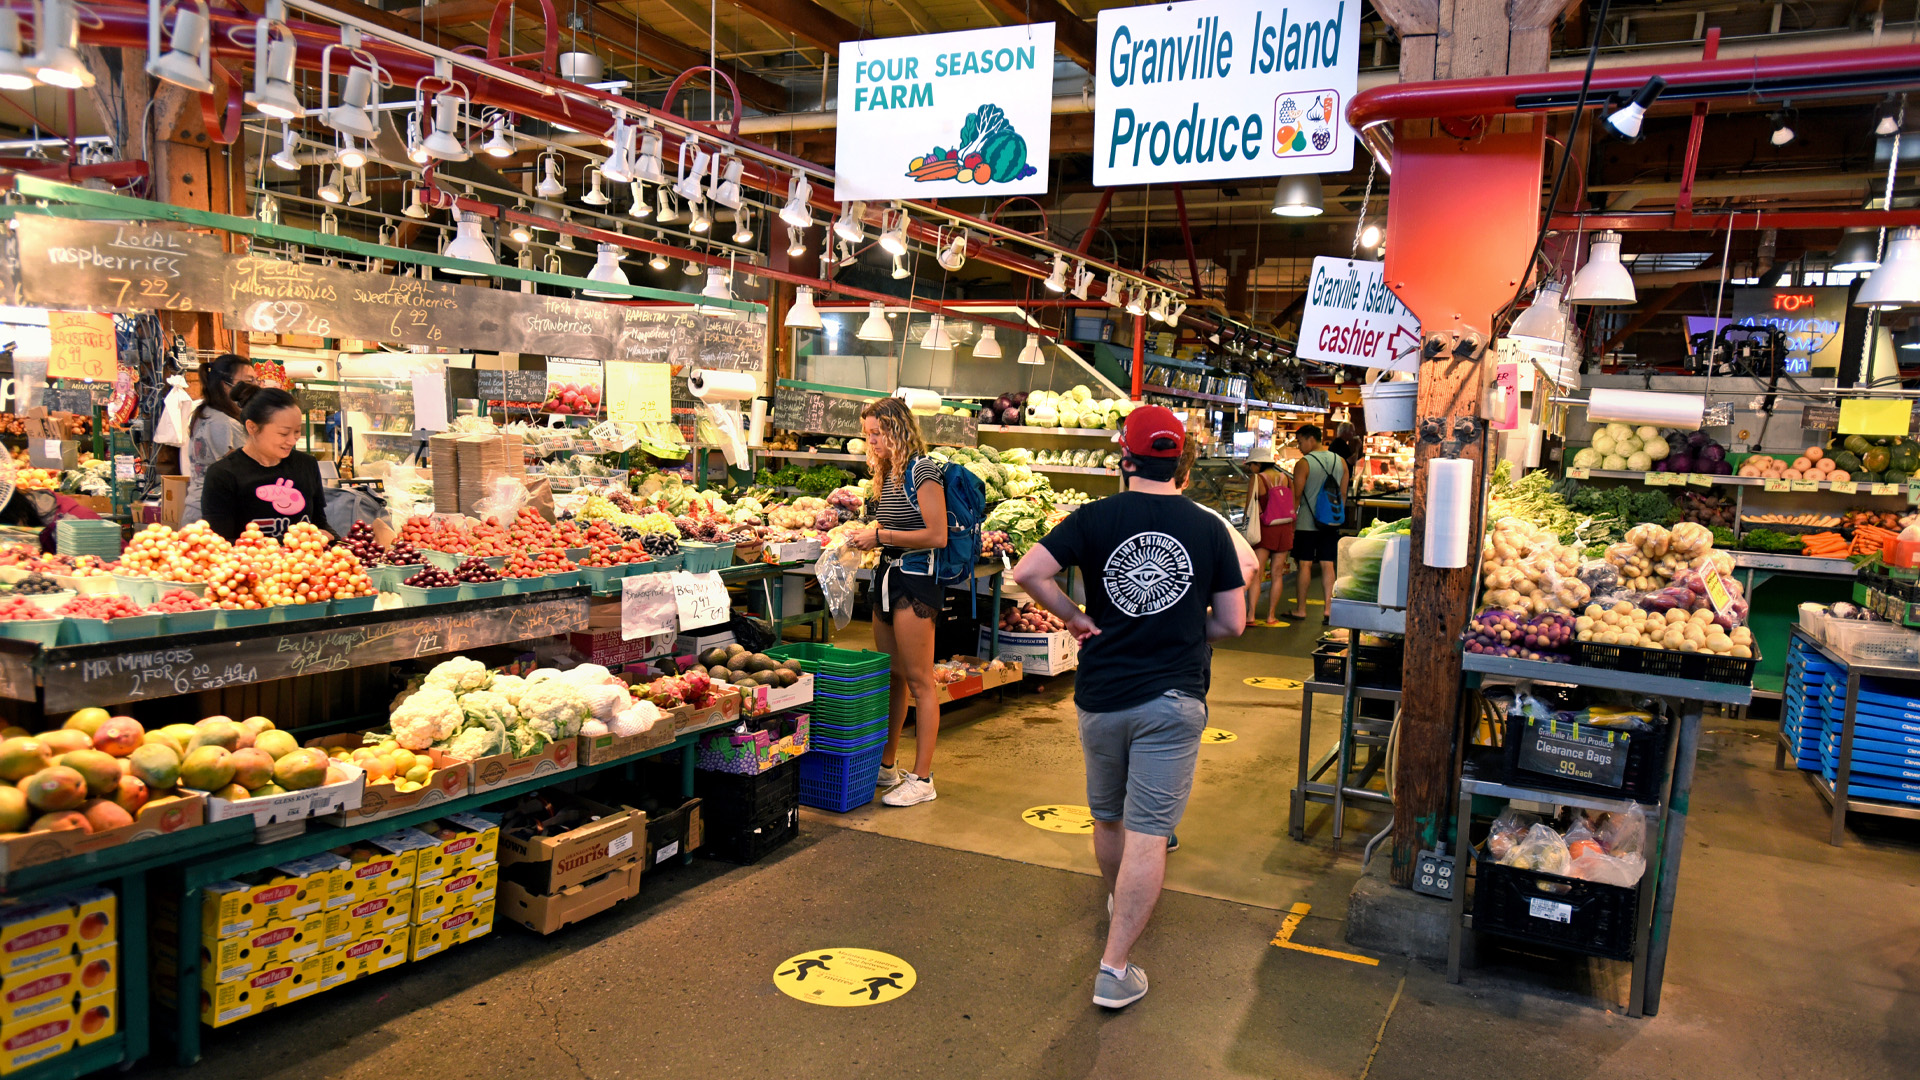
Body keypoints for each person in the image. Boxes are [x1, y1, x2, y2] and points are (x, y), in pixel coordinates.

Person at [1011, 405, 1246, 1010]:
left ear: (1125, 461)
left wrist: (1075, 618)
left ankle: (1121, 903)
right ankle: (1114, 970)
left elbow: (1029, 572)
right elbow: (1235, 623)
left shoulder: (1093, 517)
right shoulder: (1209, 527)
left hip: (1102, 696)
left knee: (1109, 819)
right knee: (1150, 835)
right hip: (1172, 699)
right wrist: (1191, 629)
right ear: (1182, 466)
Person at [846, 395, 947, 808]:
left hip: (916, 582)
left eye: (878, 433)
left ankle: (923, 779)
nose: (871, 441)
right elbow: (890, 527)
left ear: (898, 430)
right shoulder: (887, 473)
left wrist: (881, 536)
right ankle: (887, 766)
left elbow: (937, 535)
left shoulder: (923, 471)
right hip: (886, 577)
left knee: (921, 680)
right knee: (893, 676)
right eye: (867, 434)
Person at [199, 388, 330, 543]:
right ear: (252, 427)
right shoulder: (223, 474)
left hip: (306, 565)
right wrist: (285, 542)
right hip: (251, 565)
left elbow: (319, 522)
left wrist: (336, 540)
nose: (292, 440)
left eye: (297, 432)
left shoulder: (306, 465)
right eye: (283, 433)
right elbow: (220, 543)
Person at [181, 354, 255, 525]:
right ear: (225, 385)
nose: (255, 387)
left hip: (198, 509)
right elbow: (239, 469)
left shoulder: (206, 413)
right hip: (211, 514)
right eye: (249, 381)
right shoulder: (223, 423)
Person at [1289, 424, 1346, 621]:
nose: (1299, 446)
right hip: (1331, 522)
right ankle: (1329, 609)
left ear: (1311, 439)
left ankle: (1301, 609)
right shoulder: (1341, 462)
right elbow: (1343, 495)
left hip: (1307, 522)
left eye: (1300, 441)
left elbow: (1296, 496)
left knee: (1304, 564)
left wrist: (1290, 521)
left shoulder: (1304, 463)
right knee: (1328, 564)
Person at [1244, 459, 1295, 626]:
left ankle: (1250, 615)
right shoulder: (1286, 478)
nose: (1250, 468)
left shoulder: (1258, 478)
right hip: (1284, 527)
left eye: (1251, 464)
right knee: (1277, 573)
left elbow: (1249, 505)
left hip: (1265, 528)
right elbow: (1292, 502)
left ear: (1258, 464)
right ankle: (1271, 616)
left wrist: (1246, 525)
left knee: (1257, 574)